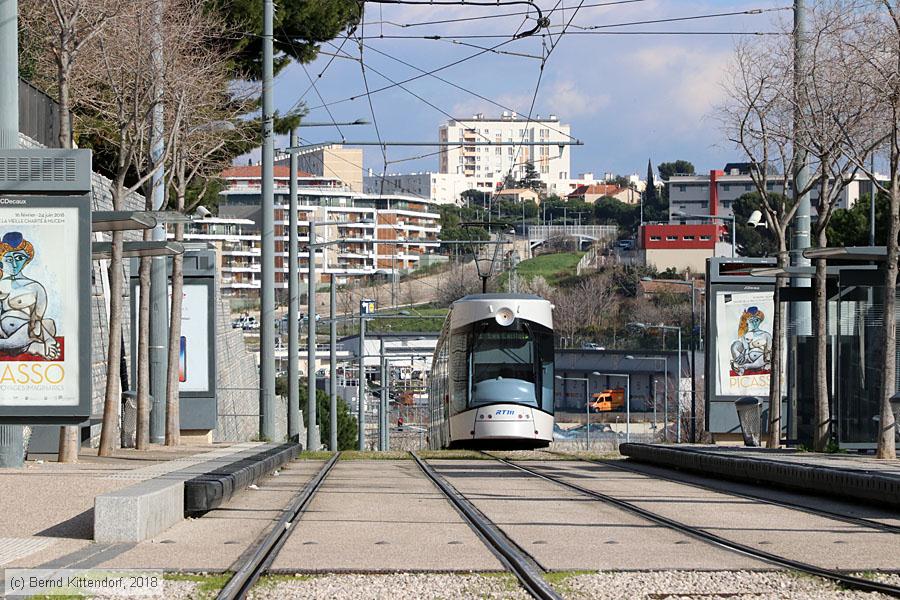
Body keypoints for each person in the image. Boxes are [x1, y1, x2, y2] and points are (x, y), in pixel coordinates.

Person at [0, 231, 60, 359]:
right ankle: (33, 347)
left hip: (28, 330)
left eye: (19, 258)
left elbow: (37, 321)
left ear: (27, 259)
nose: (14, 264)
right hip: (5, 331)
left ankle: (17, 345)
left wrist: (47, 338)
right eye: (9, 259)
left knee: (48, 324)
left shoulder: (36, 288)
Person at [730, 306, 771, 376]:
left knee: (766, 356)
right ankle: (741, 365)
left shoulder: (766, 335)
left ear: (760, 320)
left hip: (760, 359)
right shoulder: (746, 334)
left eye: (756, 320)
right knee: (735, 344)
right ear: (748, 321)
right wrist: (743, 354)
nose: (754, 323)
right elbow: (745, 348)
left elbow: (768, 349)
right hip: (746, 358)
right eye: (751, 320)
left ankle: (746, 366)